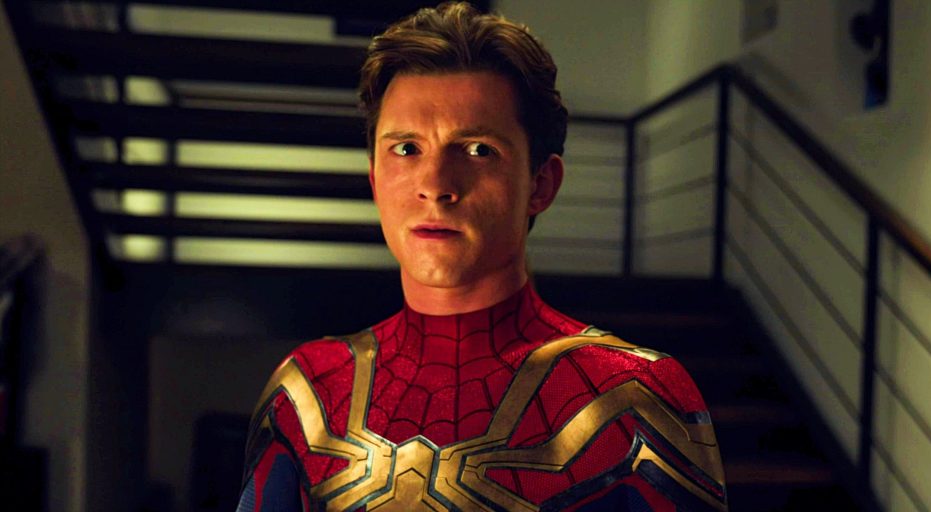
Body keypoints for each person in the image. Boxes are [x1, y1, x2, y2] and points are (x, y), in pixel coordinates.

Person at [235, 2, 727, 511]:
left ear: (541, 185)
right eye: (406, 149)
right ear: (376, 181)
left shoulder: (635, 397)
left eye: (477, 150)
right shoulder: (305, 392)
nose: (435, 185)